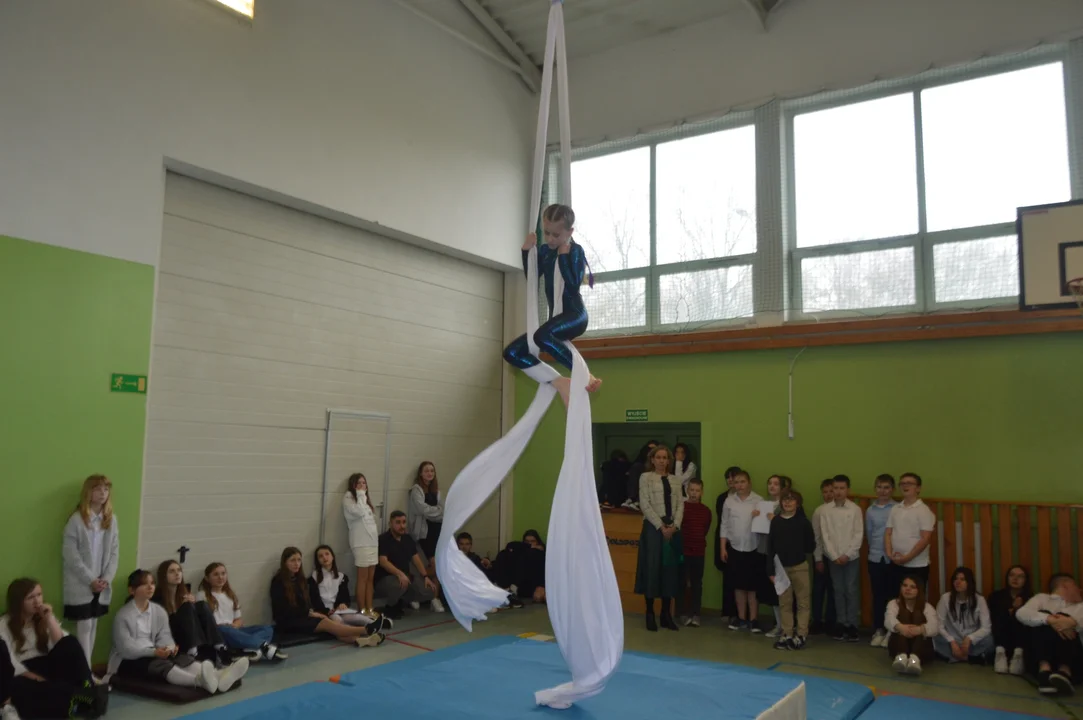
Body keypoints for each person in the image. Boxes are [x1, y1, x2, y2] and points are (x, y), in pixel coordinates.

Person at [501, 204, 601, 407]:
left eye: (556, 234)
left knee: (542, 336)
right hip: (556, 321)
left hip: (575, 315)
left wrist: (564, 256)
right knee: (512, 352)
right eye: (546, 233)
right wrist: (526, 252)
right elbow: (533, 279)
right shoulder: (546, 251)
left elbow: (573, 286)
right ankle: (559, 381)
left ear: (569, 232)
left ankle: (585, 375)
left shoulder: (575, 251)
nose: (550, 239)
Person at [109, 570, 246, 694]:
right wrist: (154, 652)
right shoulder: (124, 616)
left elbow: (164, 635)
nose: (150, 587)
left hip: (153, 651)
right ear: (132, 590)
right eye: (144, 584)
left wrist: (169, 647)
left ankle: (219, 675)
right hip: (127, 660)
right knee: (162, 664)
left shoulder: (158, 611)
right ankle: (199, 681)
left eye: (152, 583)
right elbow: (126, 649)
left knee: (181, 658)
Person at [0, 578, 109, 718]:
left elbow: (62, 643)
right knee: (23, 687)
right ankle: (83, 699)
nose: (37, 601)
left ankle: (86, 688)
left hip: (48, 662)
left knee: (70, 641)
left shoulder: (41, 618)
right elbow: (10, 663)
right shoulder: (4, 624)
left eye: (39, 595)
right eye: (30, 597)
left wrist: (49, 618)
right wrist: (39, 679)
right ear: (18, 601)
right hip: (24, 672)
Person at [270, 548, 386, 648]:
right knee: (327, 623)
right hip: (289, 621)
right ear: (285, 563)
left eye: (299, 560)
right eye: (292, 560)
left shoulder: (299, 580)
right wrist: (311, 613)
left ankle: (361, 640)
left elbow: (305, 603)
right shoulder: (278, 582)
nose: (296, 564)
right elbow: (284, 610)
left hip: (302, 616)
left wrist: (311, 612)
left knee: (332, 629)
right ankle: (366, 629)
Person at [62, 474, 120, 667]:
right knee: (84, 624)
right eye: (97, 489)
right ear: (89, 492)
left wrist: (106, 579)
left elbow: (114, 552)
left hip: (102, 583)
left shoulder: (111, 520)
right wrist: (90, 579)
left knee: (94, 623)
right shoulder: (76, 520)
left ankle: (87, 670)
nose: (102, 493)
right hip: (81, 583)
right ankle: (84, 673)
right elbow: (71, 555)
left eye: (105, 489)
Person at [633, 445, 684, 632]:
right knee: (652, 568)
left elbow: (680, 505)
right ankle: (649, 613)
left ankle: (665, 614)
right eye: (659, 457)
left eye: (665, 458)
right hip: (654, 529)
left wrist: (674, 526)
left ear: (669, 461)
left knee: (669, 571)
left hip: (672, 529)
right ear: (652, 460)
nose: (662, 461)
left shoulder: (676, 480)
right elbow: (644, 504)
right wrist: (660, 526)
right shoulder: (645, 478)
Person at [197, 563, 282, 662]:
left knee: (268, 629)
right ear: (207, 578)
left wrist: (234, 625)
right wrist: (224, 627)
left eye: (223, 573)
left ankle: (247, 649)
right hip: (218, 633)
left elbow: (238, 620)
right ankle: (263, 646)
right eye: (216, 574)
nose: (220, 577)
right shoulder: (202, 595)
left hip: (233, 631)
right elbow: (203, 621)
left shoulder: (230, 595)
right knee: (223, 629)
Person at [1015, 573, 1083, 695]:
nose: (1080, 590)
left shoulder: (1080, 607)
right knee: (1043, 616)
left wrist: (1072, 623)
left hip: (1074, 660)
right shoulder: (1042, 598)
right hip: (1038, 656)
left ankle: (1064, 671)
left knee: (1066, 619)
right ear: (1066, 585)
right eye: (1076, 586)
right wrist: (1050, 620)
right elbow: (1021, 613)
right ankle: (1045, 669)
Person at [153, 560, 229, 665]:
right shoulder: (157, 598)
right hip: (172, 634)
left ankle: (219, 646)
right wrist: (185, 607)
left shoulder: (183, 593)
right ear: (163, 576)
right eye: (172, 571)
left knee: (201, 605)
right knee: (187, 606)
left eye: (179, 570)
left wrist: (193, 605)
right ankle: (192, 651)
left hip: (188, 632)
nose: (177, 574)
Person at [766, 489, 815, 650]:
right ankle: (786, 633)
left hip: (799, 567)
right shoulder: (776, 521)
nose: (787, 503)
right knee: (784, 603)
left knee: (803, 602)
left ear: (797, 503)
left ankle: (801, 634)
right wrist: (771, 571)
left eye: (791, 500)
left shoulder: (803, 522)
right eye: (785, 500)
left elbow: (810, 545)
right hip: (781, 569)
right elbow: (770, 546)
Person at [819, 474, 864, 642]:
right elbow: (825, 535)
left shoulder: (855, 509)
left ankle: (852, 624)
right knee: (838, 590)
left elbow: (858, 534)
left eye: (841, 488)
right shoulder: (825, 510)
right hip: (834, 557)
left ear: (847, 490)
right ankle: (841, 622)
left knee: (851, 589)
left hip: (850, 557)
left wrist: (847, 554)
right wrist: (834, 555)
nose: (838, 492)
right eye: (835, 488)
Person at [375, 512, 443, 619]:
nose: (401, 526)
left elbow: (416, 559)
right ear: (390, 524)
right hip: (385, 579)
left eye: (403, 522)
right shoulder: (383, 539)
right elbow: (383, 561)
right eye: (398, 523)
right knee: (398, 585)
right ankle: (390, 608)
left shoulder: (407, 539)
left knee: (429, 591)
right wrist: (400, 574)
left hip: (405, 577)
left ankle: (401, 602)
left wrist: (425, 577)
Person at [720, 470, 763, 632]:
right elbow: (724, 525)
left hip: (754, 548)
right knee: (738, 586)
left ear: (749, 482)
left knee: (752, 587)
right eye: (736, 482)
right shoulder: (729, 501)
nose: (739, 485)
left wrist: (759, 517)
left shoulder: (758, 500)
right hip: (735, 548)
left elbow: (766, 525)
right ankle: (741, 618)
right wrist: (723, 547)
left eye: (742, 482)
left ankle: (754, 619)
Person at [883, 472, 935, 591]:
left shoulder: (923, 510)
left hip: (916, 565)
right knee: (896, 598)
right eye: (902, 483)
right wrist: (890, 554)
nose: (905, 486)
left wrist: (907, 558)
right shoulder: (895, 508)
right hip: (895, 563)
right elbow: (888, 533)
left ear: (918, 488)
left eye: (909, 483)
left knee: (915, 601)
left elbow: (925, 539)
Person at [933, 567, 993, 664]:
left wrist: (970, 638)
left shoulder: (979, 600)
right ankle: (968, 658)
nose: (958, 582)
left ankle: (958, 657)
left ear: (969, 582)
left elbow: (986, 628)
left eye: (962, 579)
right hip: (952, 640)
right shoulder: (945, 598)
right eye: (956, 579)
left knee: (989, 640)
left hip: (971, 643)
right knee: (935, 636)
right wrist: (951, 641)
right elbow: (939, 625)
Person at [343, 472, 380, 618]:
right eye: (359, 483)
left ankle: (370, 608)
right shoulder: (348, 498)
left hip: (372, 543)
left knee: (371, 578)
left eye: (364, 483)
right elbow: (358, 512)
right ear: (353, 485)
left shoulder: (365, 499)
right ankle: (362, 610)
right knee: (363, 577)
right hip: (360, 543)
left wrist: (363, 496)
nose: (362, 486)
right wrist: (360, 494)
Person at [866, 474, 897, 648]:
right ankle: (879, 629)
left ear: (892, 489)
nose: (882, 491)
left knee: (892, 596)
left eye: (886, 487)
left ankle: (891, 631)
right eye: (879, 487)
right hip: (876, 557)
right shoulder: (871, 511)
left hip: (893, 557)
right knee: (878, 596)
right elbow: (870, 534)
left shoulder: (897, 508)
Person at [884, 575, 938, 676]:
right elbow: (888, 620)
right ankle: (901, 657)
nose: (907, 589)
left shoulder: (927, 606)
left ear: (919, 590)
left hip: (922, 647)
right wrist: (901, 627)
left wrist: (920, 629)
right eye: (905, 585)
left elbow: (935, 627)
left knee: (917, 614)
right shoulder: (893, 603)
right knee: (903, 615)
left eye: (912, 587)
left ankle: (914, 659)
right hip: (897, 645)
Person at [678, 478, 711, 627]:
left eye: (697, 491)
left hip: (698, 552)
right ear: (687, 490)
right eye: (691, 490)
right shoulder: (681, 508)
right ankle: (683, 613)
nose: (694, 493)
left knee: (697, 583)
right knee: (682, 583)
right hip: (684, 551)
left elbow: (705, 530)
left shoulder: (706, 511)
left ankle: (696, 614)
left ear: (701, 492)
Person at [988, 565, 1031, 675]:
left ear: (1025, 580)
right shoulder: (996, 596)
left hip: (1021, 639)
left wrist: (1018, 610)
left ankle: (1018, 655)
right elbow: (992, 618)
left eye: (1020, 576)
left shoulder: (1030, 598)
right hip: (1001, 636)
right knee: (1001, 614)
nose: (1015, 579)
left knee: (1021, 615)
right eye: (1012, 575)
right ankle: (1000, 653)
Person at [810, 479, 837, 635]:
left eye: (831, 491)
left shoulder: (841, 510)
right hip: (822, 555)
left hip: (837, 555)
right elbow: (816, 537)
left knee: (834, 589)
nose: (828, 495)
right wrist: (818, 558)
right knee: (819, 589)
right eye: (825, 492)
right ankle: (817, 619)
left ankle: (830, 621)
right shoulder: (819, 511)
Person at [408, 461, 444, 566]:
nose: (430, 473)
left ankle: (436, 582)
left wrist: (435, 512)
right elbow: (423, 510)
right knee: (432, 561)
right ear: (421, 473)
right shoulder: (416, 490)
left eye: (432, 471)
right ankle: (431, 581)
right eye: (426, 471)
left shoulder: (436, 490)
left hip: (437, 528)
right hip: (425, 531)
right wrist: (437, 512)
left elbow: (442, 509)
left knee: (439, 561)